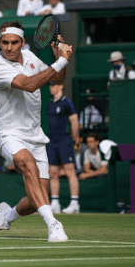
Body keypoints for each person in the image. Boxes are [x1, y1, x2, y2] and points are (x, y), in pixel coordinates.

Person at [0, 20, 72, 242]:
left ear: (23, 42)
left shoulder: (31, 58)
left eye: (14, 42)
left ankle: (5, 217)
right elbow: (30, 84)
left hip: (35, 135)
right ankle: (54, 224)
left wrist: (56, 57)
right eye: (4, 43)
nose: (9, 47)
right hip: (8, 134)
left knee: (35, 199)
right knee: (27, 163)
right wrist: (61, 60)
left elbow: (57, 79)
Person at [46, 82, 80, 214]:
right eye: (50, 85)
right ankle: (55, 203)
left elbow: (75, 123)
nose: (51, 87)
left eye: (54, 85)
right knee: (52, 172)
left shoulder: (67, 103)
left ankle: (75, 203)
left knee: (69, 170)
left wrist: (75, 141)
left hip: (65, 140)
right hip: (52, 141)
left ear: (61, 86)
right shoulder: (49, 104)